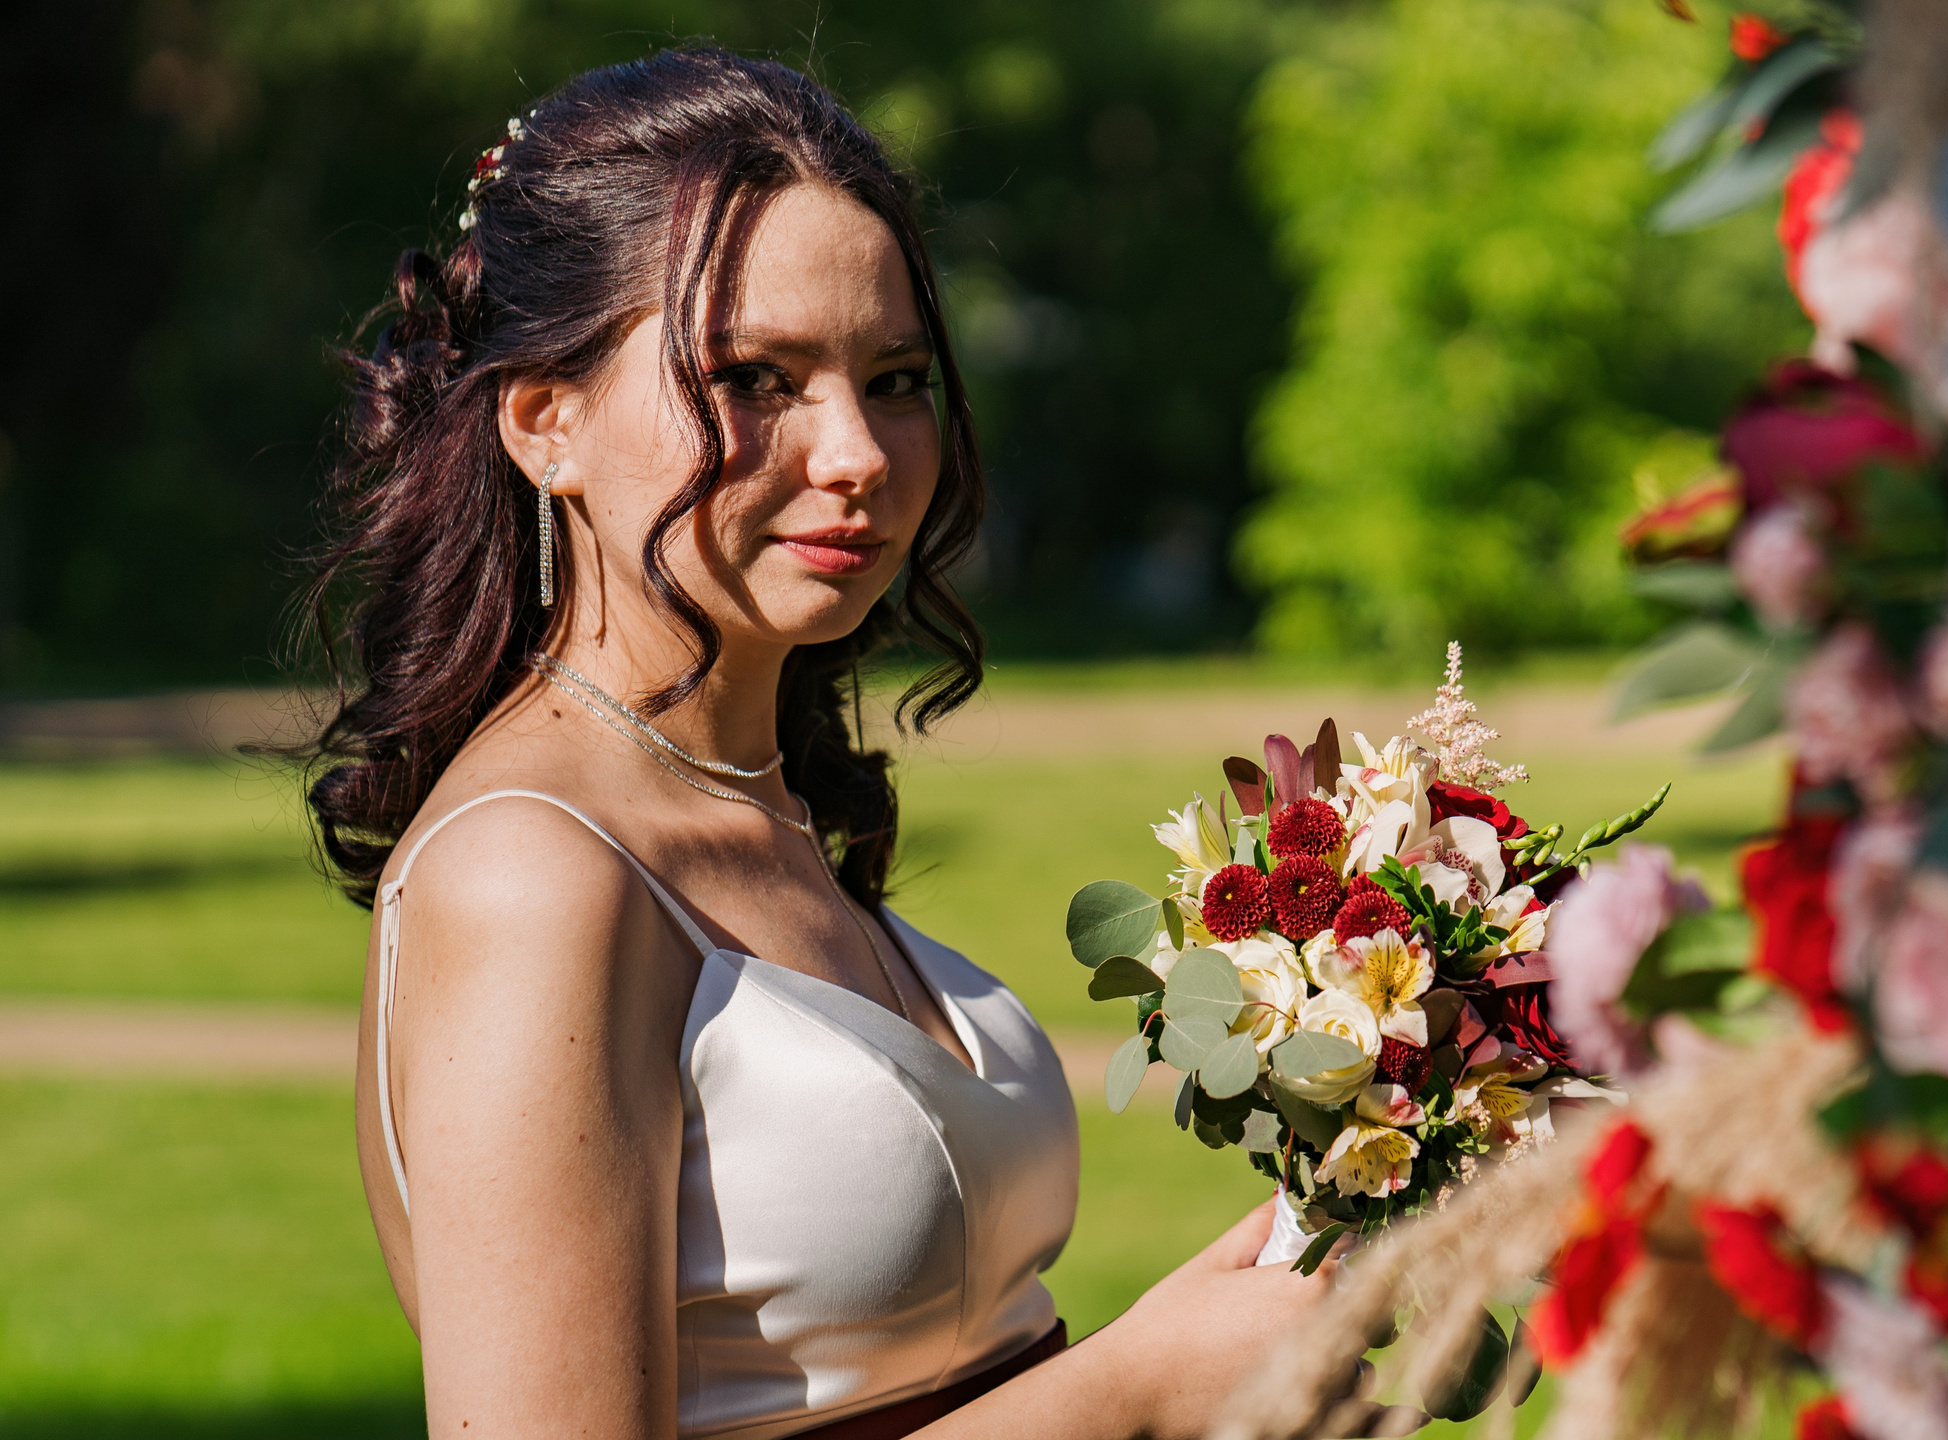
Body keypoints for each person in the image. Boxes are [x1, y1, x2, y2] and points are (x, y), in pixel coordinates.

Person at [299, 46, 1405, 1440]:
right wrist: (1135, 1395)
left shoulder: (752, 803)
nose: (859, 453)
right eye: (757, 377)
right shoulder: (532, 875)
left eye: (894, 379)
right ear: (546, 422)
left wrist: (1234, 1341)